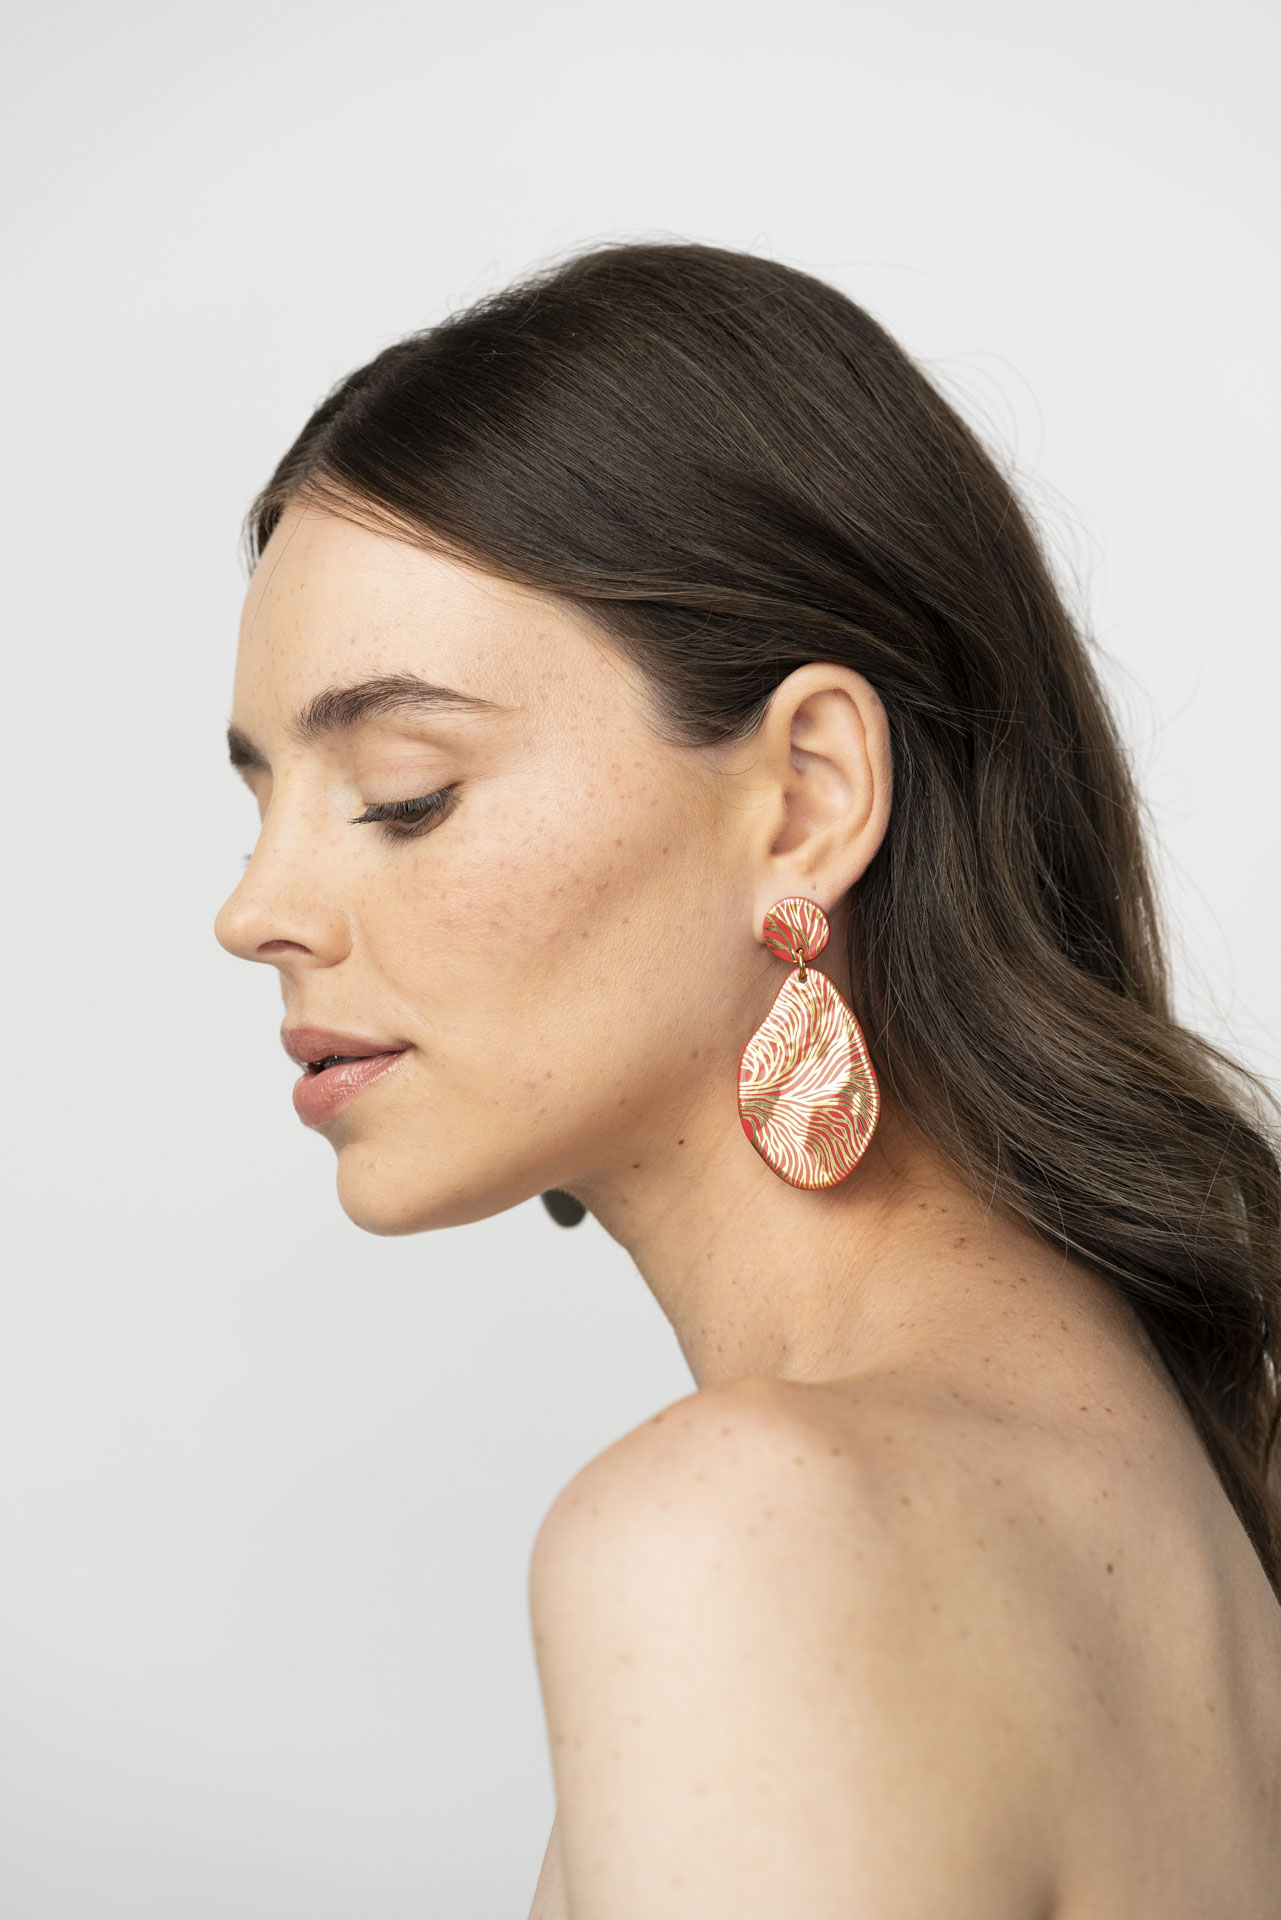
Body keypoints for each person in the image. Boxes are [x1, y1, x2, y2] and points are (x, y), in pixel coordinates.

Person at [214, 242, 1281, 1917]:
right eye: (259, 799)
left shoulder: (744, 1538)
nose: (254, 911)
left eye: (403, 792)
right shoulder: (1199, 1466)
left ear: (805, 798)